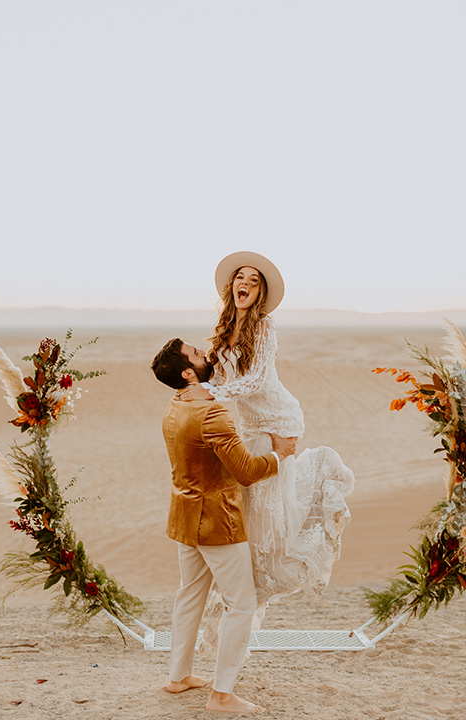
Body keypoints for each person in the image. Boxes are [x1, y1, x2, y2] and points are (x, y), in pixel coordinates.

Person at [180, 251, 355, 633]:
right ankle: (239, 604)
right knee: (251, 514)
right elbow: (220, 381)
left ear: (259, 294)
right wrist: (192, 387)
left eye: (254, 280)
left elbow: (256, 381)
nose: (245, 283)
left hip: (278, 421)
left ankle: (246, 604)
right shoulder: (224, 328)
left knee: (263, 521)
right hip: (249, 425)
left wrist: (208, 392)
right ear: (232, 287)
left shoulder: (264, 326)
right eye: (240, 278)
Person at [151, 337, 296, 715]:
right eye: (197, 355)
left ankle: (178, 676)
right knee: (242, 604)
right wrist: (280, 455)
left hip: (183, 517)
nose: (205, 355)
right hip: (216, 522)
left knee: (190, 595)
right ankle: (221, 695)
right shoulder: (212, 415)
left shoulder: (173, 407)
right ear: (188, 373)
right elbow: (246, 472)